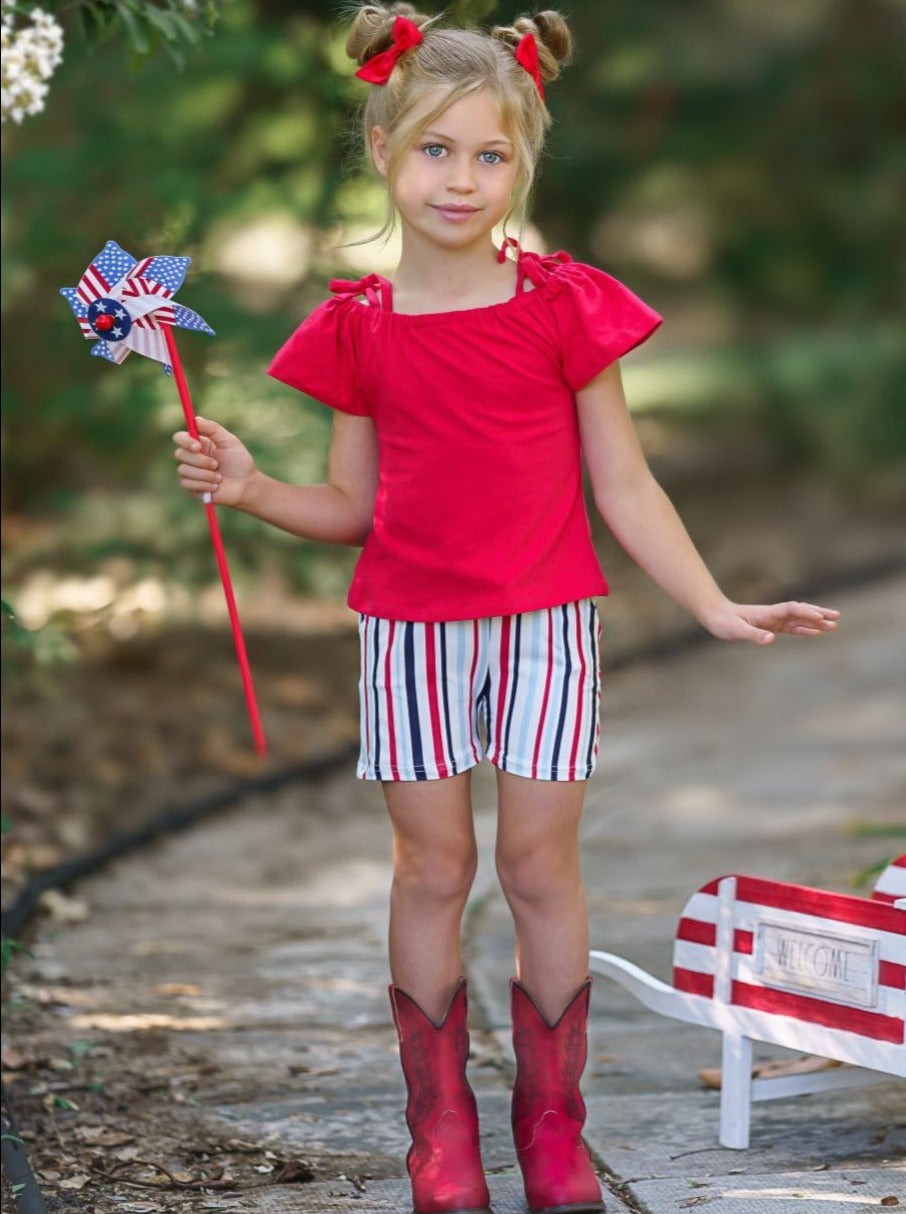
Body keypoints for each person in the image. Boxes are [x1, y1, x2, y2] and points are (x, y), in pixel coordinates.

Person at [173, 6, 840, 1212]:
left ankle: (551, 1123)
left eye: (490, 154)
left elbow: (623, 482)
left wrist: (711, 600)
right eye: (436, 149)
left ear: (521, 164)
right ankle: (440, 1129)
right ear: (383, 148)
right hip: (410, 633)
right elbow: (349, 507)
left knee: (538, 865)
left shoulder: (560, 305)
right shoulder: (359, 328)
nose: (461, 178)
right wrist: (251, 485)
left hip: (546, 627)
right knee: (433, 867)